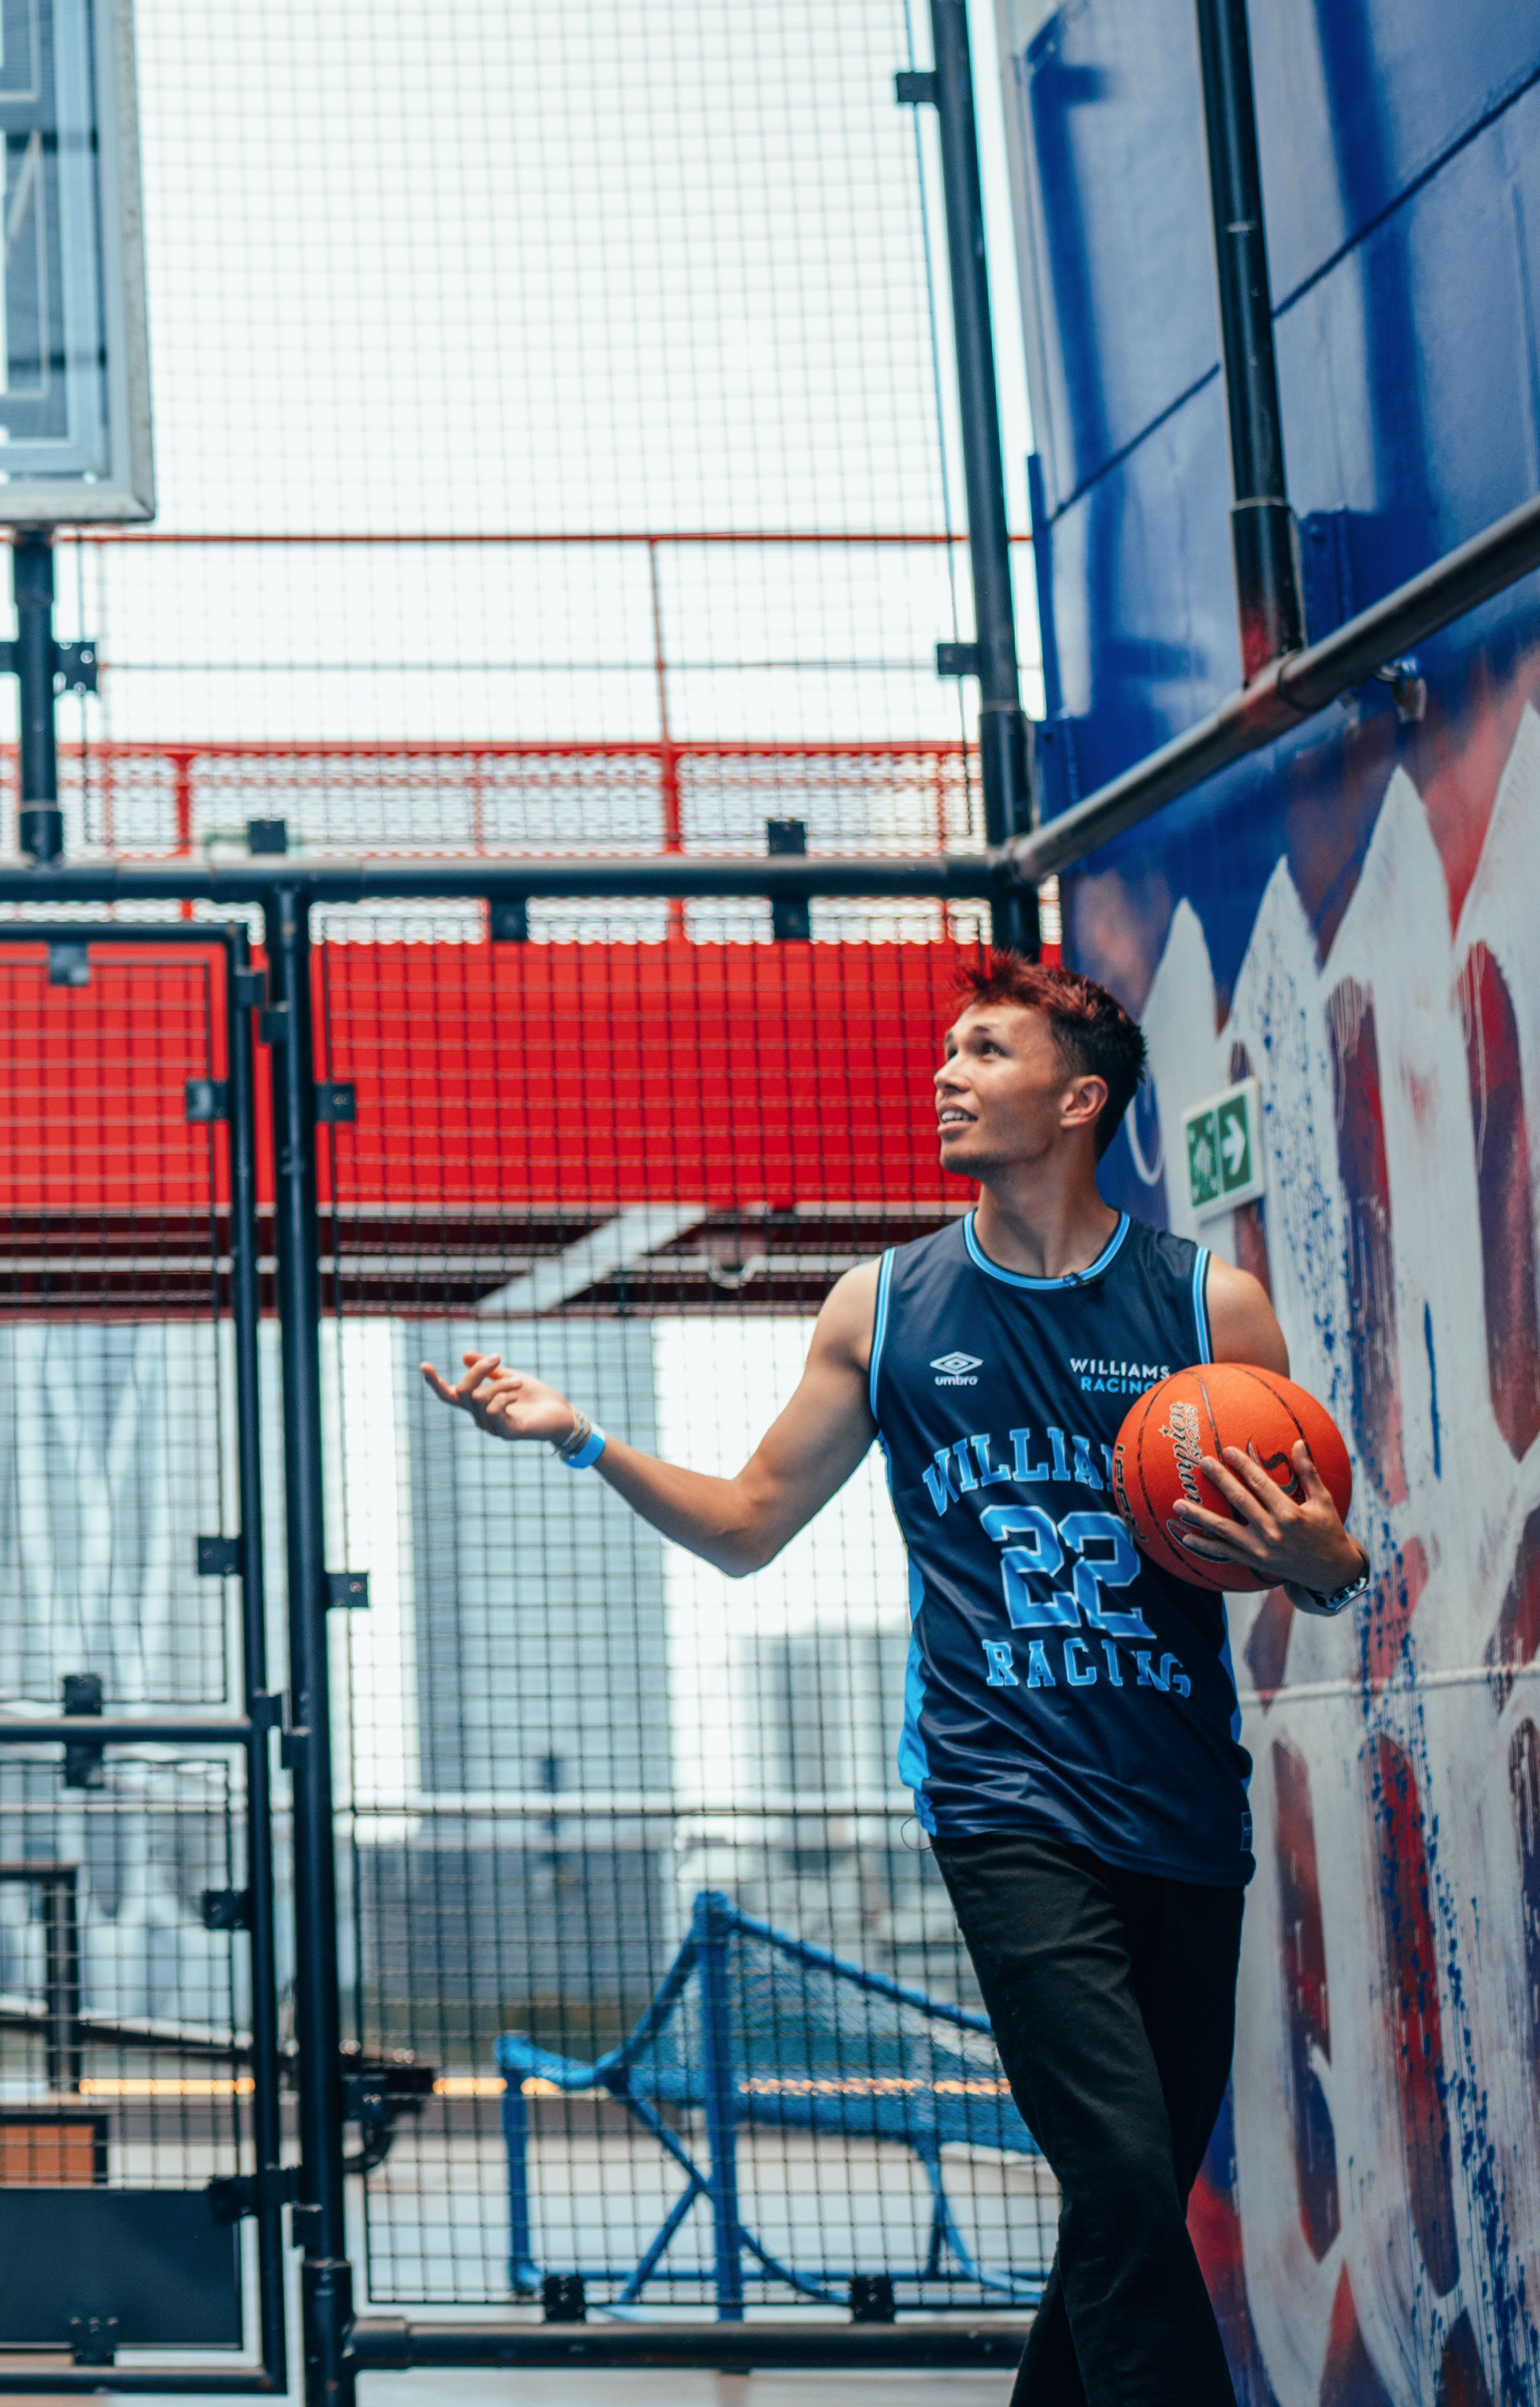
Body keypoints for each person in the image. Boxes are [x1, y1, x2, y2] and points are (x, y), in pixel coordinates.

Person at [420, 953, 1366, 2407]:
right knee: (1120, 2175)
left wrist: (1325, 1560)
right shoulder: (886, 1307)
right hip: (1005, 1804)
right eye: (950, 1049)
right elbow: (748, 1526)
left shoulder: (1208, 1310)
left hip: (1183, 1805)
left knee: (1127, 2206)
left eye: (986, 1050)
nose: (947, 1072)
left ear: (1080, 1099)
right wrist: (580, 1437)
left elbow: (1312, 1558)